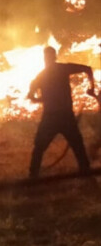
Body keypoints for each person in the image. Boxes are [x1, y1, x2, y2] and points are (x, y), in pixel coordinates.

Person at [27, 46, 95, 178]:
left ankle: (33, 175)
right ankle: (85, 171)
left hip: (52, 117)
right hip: (63, 116)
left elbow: (31, 97)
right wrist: (91, 88)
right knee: (77, 145)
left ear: (45, 58)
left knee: (40, 147)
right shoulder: (61, 69)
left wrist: (42, 99)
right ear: (54, 56)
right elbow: (87, 69)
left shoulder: (40, 76)